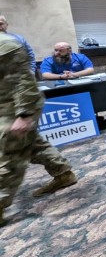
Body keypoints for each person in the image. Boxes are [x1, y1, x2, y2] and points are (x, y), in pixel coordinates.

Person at [0, 34, 78, 226]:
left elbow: (23, 81)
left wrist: (24, 115)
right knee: (33, 144)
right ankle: (63, 173)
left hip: (15, 108)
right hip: (5, 106)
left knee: (9, 154)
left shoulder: (6, 46)